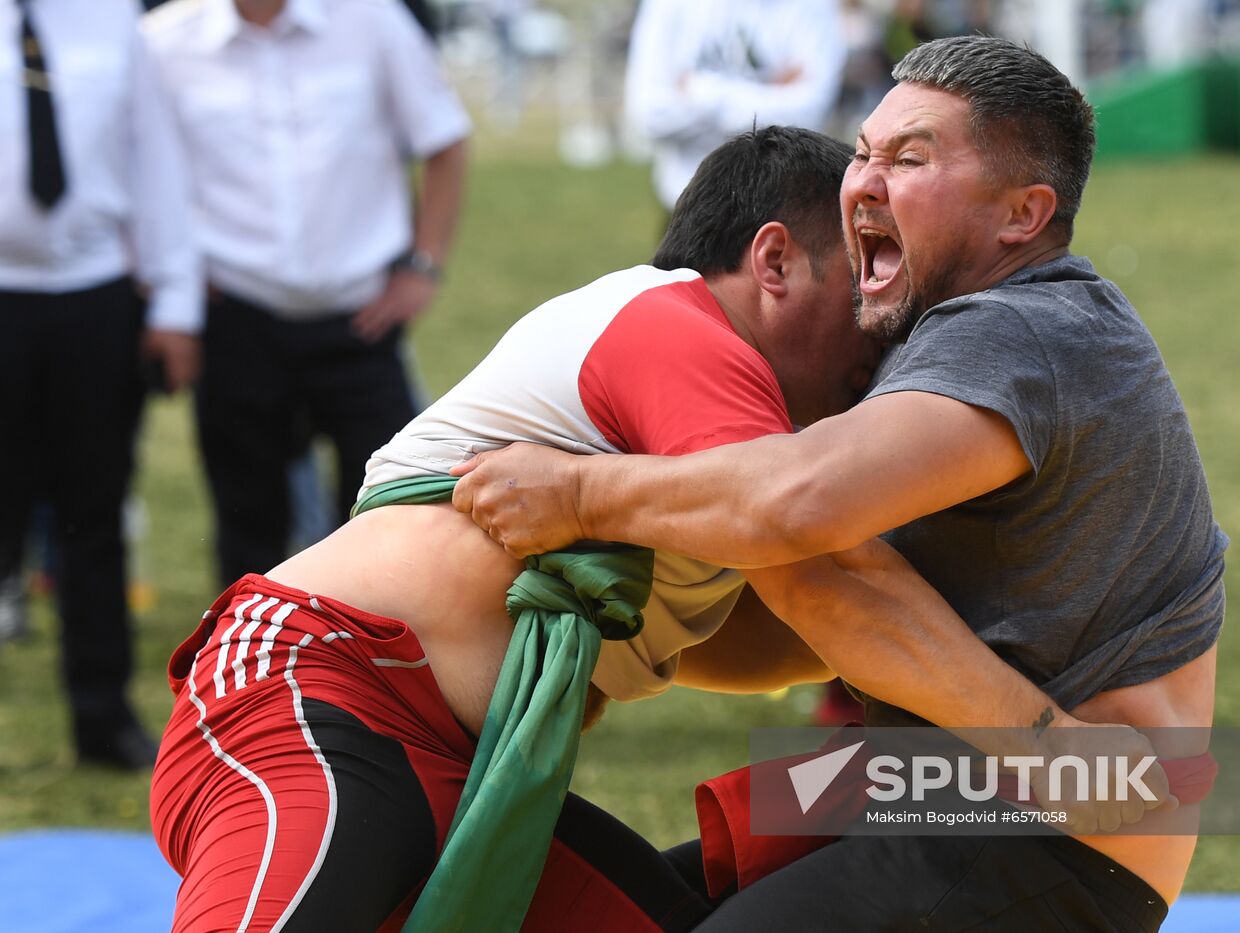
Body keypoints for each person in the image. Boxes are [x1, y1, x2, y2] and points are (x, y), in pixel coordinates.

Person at [150, 124, 1166, 932]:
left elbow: (763, 632)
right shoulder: (673, 327)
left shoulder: (710, 466)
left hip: (453, 770)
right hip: (310, 700)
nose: (880, 324)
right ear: (772, 262)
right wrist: (1048, 748)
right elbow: (821, 578)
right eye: (860, 273)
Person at [457, 36, 1227, 931]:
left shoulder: (1021, 326)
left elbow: (799, 505)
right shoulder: (962, 333)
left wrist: (577, 496)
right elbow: (802, 625)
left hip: (1052, 835)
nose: (864, 180)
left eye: (911, 158)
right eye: (863, 151)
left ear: (1022, 214)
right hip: (937, 795)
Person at [142, 0, 469, 588]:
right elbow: (139, 168)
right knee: (247, 523)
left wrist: (423, 266)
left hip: (360, 318)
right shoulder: (165, 40)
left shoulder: (372, 21)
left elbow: (443, 139)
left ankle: (364, 667)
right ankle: (246, 669)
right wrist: (174, 278)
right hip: (236, 314)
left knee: (385, 518)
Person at [0, 0, 201, 769]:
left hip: (94, 294)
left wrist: (176, 301)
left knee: (94, 514)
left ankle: (102, 712)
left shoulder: (111, 17)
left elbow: (156, 165)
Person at [624, 0, 847, 214]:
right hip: (687, 212)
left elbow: (807, 115)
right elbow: (650, 115)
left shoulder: (814, 5)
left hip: (780, 208)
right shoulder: (670, 4)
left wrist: (702, 90)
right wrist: (770, 88)